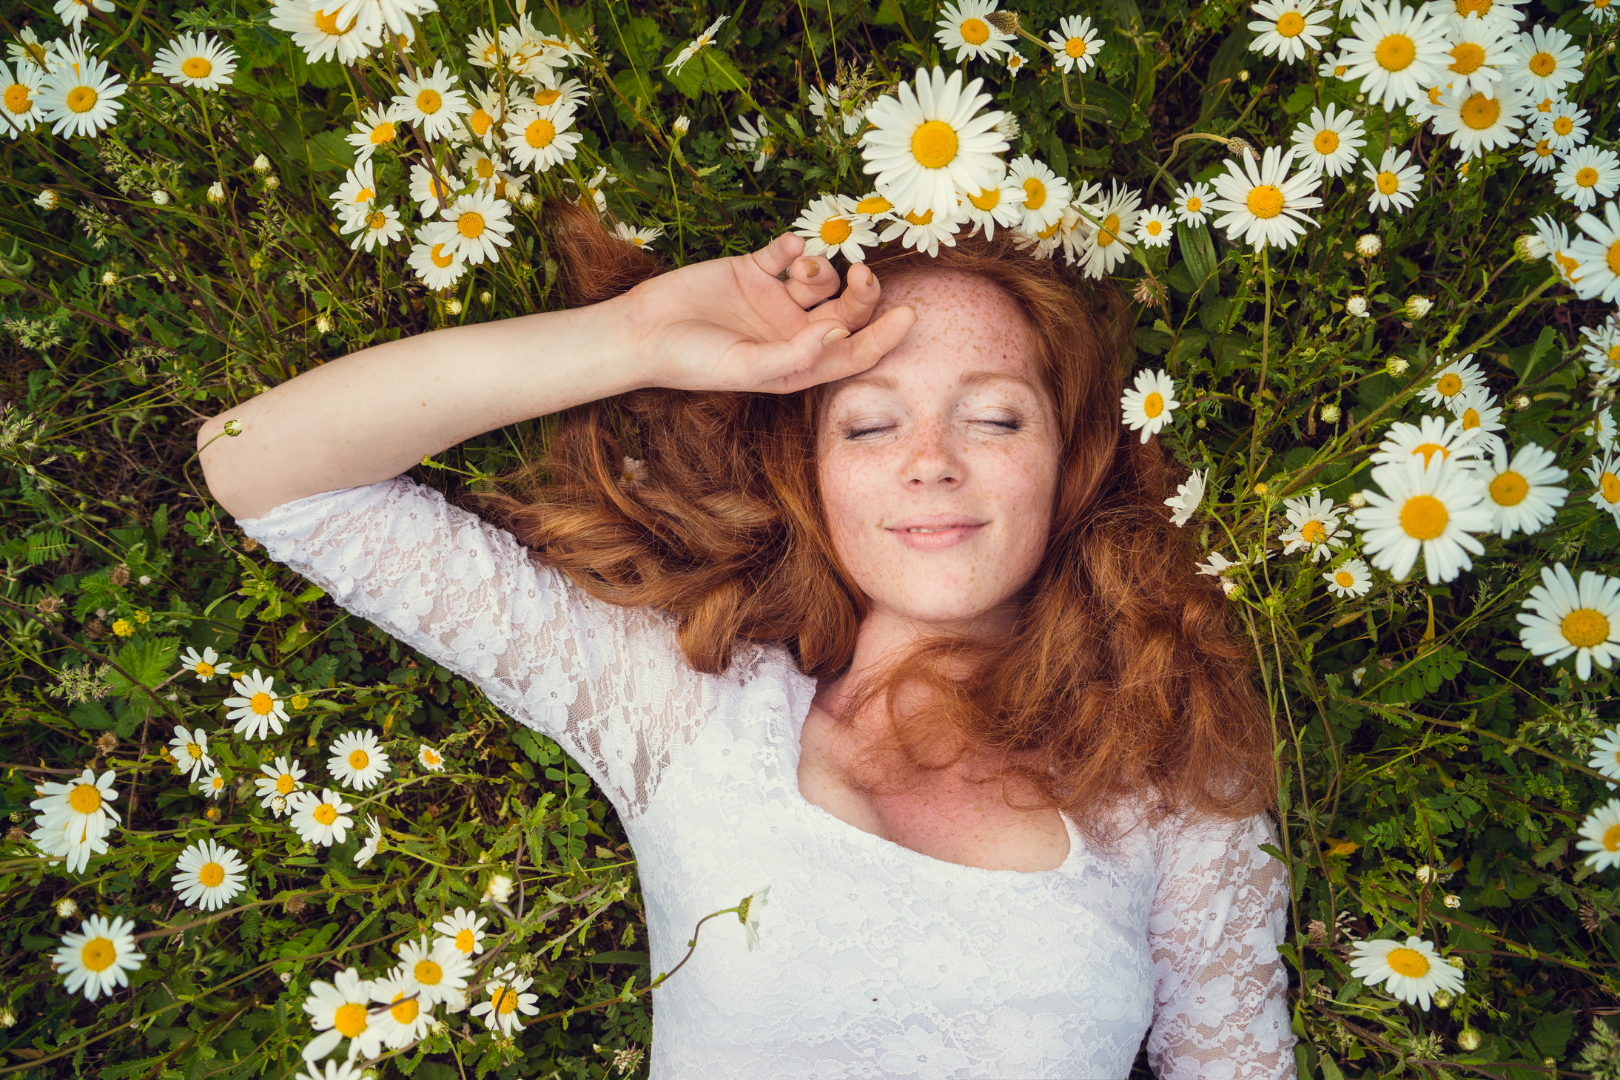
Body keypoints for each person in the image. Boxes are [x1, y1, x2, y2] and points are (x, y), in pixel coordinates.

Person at [198, 197, 1296, 1078]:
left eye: (995, 415)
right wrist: (634, 337)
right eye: (870, 422)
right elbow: (262, 467)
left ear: (1072, 462)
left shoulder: (1169, 781)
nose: (931, 459)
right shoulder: (686, 712)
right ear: (812, 475)